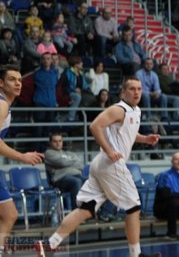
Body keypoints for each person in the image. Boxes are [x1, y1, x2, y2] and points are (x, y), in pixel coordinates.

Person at [36, 76, 161, 257]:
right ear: (123, 92)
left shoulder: (136, 111)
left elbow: (128, 133)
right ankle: (136, 255)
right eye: (132, 89)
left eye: (139, 89)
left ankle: (50, 244)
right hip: (111, 164)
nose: (136, 92)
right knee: (133, 206)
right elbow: (95, 126)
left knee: (86, 209)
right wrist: (109, 150)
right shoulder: (119, 109)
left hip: (102, 166)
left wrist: (145, 138)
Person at [0, 66, 44, 256]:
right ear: (1, 83)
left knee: (9, 215)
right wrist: (21, 156)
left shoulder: (5, 106)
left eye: (19, 79)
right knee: (9, 215)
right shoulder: (1, 104)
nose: (18, 83)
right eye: (12, 79)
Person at [44, 132, 84, 209]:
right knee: (76, 182)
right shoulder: (48, 153)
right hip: (60, 180)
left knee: (91, 182)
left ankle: (103, 213)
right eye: (55, 141)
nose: (58, 143)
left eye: (60, 141)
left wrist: (66, 162)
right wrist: (72, 161)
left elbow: (80, 165)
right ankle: (76, 213)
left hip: (77, 176)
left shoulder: (69, 153)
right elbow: (62, 162)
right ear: (50, 143)